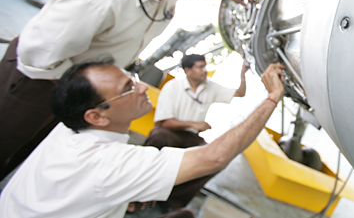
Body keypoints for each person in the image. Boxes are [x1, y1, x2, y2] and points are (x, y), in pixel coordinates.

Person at [0, 0, 254, 180]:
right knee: (8, 138)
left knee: (33, 149)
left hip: (82, 87)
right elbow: (37, 56)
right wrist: (80, 91)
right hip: (38, 80)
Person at [0, 61, 286, 218]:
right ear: (96, 116)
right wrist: (272, 97)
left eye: (132, 78)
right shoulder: (108, 164)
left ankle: (152, 195)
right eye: (127, 88)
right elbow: (214, 156)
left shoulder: (67, 127)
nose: (141, 87)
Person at [141, 54, 251, 210]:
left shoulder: (211, 87)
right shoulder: (172, 87)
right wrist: (195, 124)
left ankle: (170, 202)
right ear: (187, 70)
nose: (204, 70)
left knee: (217, 158)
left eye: (205, 66)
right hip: (169, 131)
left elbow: (240, 93)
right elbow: (164, 122)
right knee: (159, 137)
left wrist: (243, 74)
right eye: (200, 67)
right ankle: (141, 185)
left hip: (191, 137)